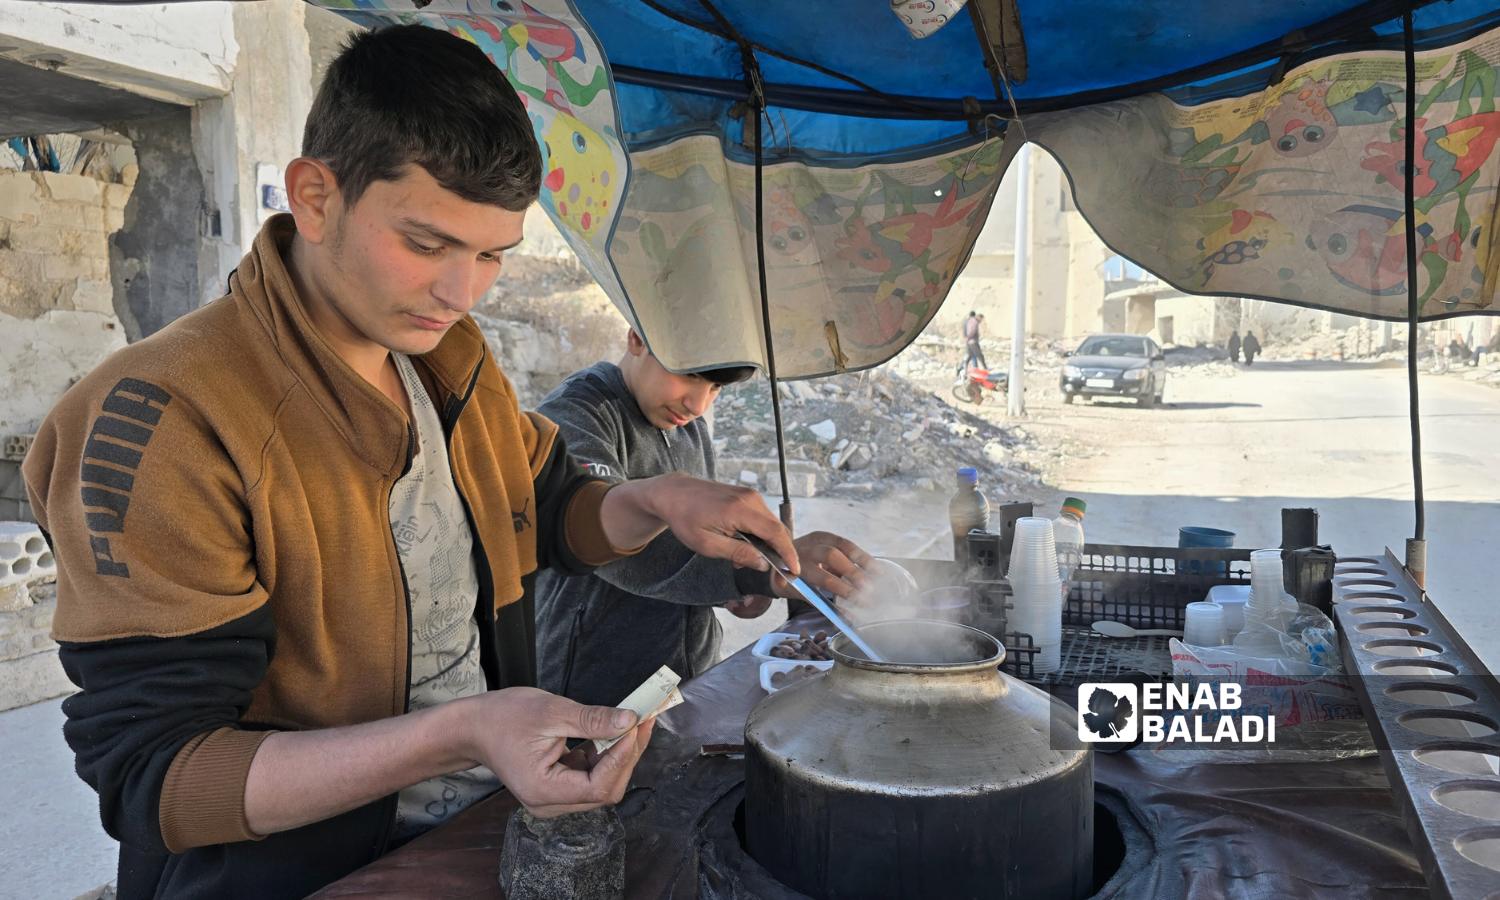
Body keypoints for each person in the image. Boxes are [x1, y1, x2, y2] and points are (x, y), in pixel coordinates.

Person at [20, 25, 802, 900]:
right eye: (427, 245)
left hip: (475, 827)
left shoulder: (445, 358)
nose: (460, 292)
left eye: (491, 255)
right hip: (299, 875)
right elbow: (162, 776)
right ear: (315, 197)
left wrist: (658, 497)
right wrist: (464, 732)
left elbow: (548, 507)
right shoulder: (168, 416)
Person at [533, 330, 873, 706]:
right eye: (691, 374)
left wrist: (739, 586)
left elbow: (698, 545)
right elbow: (612, 549)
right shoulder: (576, 415)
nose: (698, 404)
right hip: (589, 687)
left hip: (683, 677)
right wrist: (756, 571)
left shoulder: (689, 428)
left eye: (716, 387)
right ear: (638, 339)